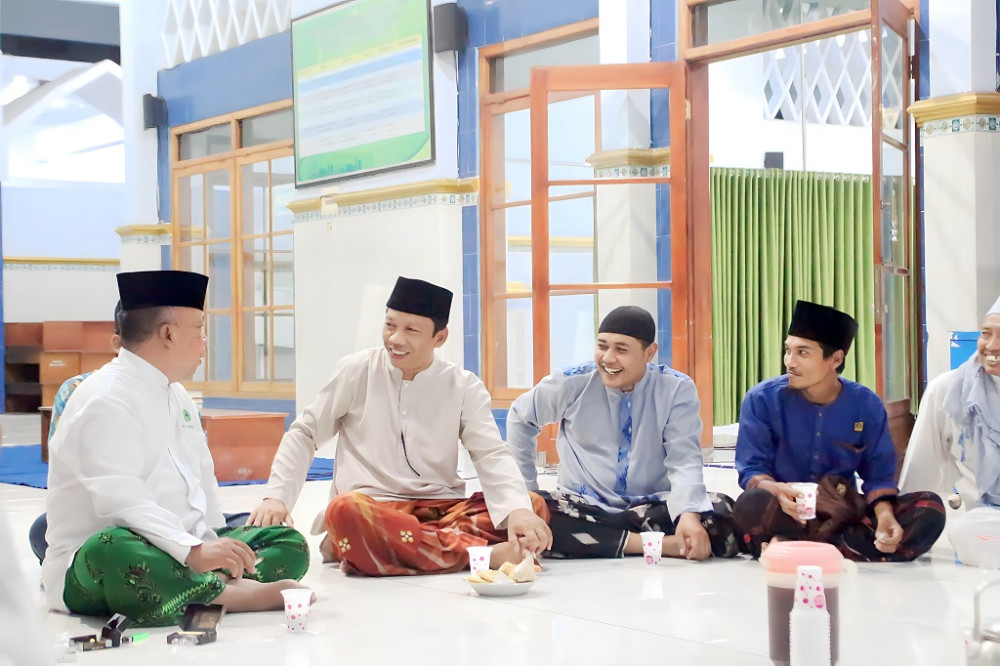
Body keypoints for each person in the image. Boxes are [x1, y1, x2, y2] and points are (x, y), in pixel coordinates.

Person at [42, 270, 312, 626]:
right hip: (104, 562)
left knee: (287, 542)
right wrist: (194, 552)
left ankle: (197, 586)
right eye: (199, 329)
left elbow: (201, 478)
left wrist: (215, 543)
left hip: (185, 547)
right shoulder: (105, 398)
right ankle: (232, 594)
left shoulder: (178, 394)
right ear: (167, 333)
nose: (205, 342)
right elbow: (121, 501)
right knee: (112, 548)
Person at [248, 276, 552, 576]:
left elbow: (490, 453)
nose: (395, 339)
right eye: (390, 325)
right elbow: (305, 433)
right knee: (344, 511)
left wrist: (517, 510)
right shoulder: (357, 371)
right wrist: (277, 497)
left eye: (411, 330)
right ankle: (484, 555)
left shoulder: (463, 386)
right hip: (374, 509)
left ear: (439, 338)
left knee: (532, 505)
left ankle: (398, 553)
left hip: (442, 511)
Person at [506, 305, 740, 561]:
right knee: (539, 513)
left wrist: (688, 514)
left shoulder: (676, 390)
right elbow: (521, 416)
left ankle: (607, 542)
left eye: (621, 349)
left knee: (724, 512)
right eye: (602, 346)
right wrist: (525, 492)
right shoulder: (572, 382)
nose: (608, 358)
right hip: (582, 506)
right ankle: (660, 545)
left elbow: (684, 458)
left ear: (649, 352)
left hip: (651, 507)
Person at [733, 300, 945, 561]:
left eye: (802, 353)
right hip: (782, 510)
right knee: (750, 503)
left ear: (835, 359)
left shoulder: (865, 404)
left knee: (930, 508)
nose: (789, 362)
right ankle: (836, 548)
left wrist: (885, 516)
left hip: (841, 511)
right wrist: (777, 490)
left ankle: (789, 546)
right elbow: (751, 468)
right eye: (788, 351)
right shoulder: (762, 399)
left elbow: (879, 474)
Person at [900, 296, 1000, 566]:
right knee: (966, 532)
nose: (992, 346)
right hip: (990, 518)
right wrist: (904, 523)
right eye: (986, 333)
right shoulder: (948, 390)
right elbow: (921, 469)